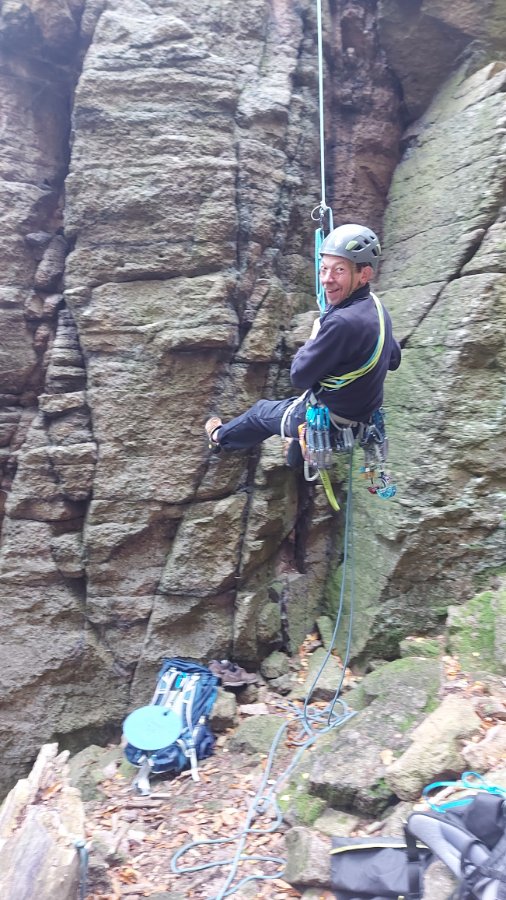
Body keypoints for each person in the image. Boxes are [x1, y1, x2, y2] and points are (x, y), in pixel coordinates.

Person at [205, 223, 401, 461]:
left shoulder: (342, 322)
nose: (327, 279)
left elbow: (299, 376)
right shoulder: (376, 307)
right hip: (362, 416)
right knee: (294, 450)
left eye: (339, 270)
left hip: (331, 419)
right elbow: (393, 359)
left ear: (364, 275)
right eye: (324, 269)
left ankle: (218, 437)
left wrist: (315, 336)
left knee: (260, 413)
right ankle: (297, 449)